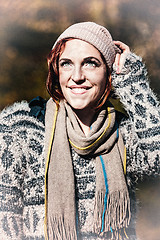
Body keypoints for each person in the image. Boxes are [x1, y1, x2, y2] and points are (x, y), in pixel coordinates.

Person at [0, 22, 159, 240]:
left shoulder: (124, 132)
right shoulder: (21, 129)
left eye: (90, 64)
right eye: (66, 64)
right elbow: (5, 222)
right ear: (56, 71)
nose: (76, 76)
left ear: (109, 72)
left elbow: (156, 157)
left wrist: (132, 81)